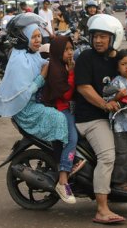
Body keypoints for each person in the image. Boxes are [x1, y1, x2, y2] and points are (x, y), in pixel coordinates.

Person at [0, 14, 75, 204]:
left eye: (39, 36)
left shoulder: (33, 55)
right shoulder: (19, 61)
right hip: (27, 110)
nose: (38, 40)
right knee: (60, 119)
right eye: (33, 36)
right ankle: (64, 169)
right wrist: (42, 77)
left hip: (36, 103)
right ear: (24, 38)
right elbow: (24, 94)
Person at [74, 14, 126, 224]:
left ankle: (120, 185)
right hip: (90, 118)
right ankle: (102, 209)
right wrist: (105, 105)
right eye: (95, 36)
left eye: (104, 36)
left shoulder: (117, 59)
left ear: (114, 38)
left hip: (110, 117)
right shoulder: (86, 57)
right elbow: (84, 88)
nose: (98, 40)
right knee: (107, 157)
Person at [41, 35, 86, 194]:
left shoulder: (64, 65)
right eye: (65, 49)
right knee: (71, 138)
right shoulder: (55, 68)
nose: (69, 52)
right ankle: (63, 176)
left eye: (71, 49)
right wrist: (72, 73)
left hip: (66, 107)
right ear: (58, 50)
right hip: (58, 108)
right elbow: (65, 94)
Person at [103, 49, 127, 193]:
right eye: (123, 64)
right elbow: (106, 100)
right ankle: (119, 182)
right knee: (122, 153)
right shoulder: (116, 83)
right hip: (119, 125)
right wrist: (117, 96)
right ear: (118, 66)